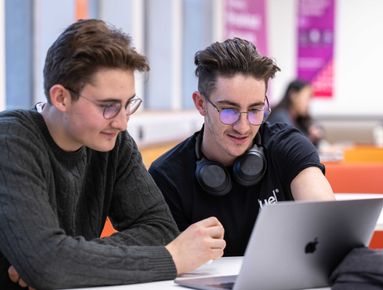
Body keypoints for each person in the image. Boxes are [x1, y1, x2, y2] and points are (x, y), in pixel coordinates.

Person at [0, 19, 225, 289]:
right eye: (108, 106)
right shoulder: (11, 141)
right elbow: (48, 264)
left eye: (128, 104)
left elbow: (160, 228)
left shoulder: (114, 143)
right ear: (61, 98)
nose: (122, 122)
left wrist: (69, 261)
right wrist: (172, 258)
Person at [149, 38, 335, 257]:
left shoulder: (287, 146)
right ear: (201, 104)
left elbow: (328, 225)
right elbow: (168, 266)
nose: (243, 126)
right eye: (229, 110)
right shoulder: (167, 175)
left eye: (255, 109)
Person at [268, 79, 325, 147]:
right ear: (293, 95)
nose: (308, 104)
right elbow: (297, 146)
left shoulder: (298, 119)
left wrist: (315, 135)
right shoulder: (280, 117)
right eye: (307, 98)